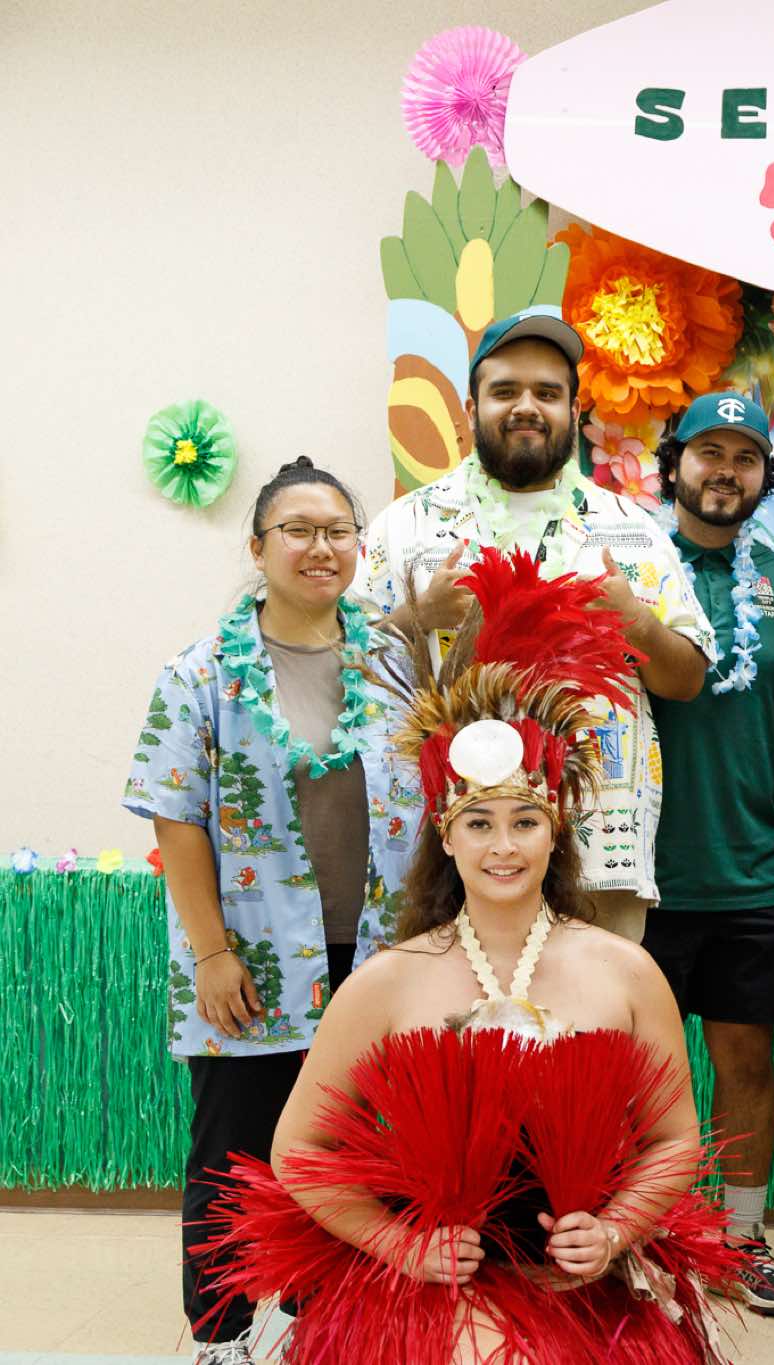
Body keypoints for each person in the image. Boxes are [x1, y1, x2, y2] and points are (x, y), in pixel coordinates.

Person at [198, 548, 734, 1363]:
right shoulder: (387, 982)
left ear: (556, 829)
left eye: (524, 821)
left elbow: (673, 1141)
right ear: (445, 836)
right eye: (479, 824)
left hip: (580, 1286)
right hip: (430, 1287)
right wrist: (401, 1245)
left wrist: (615, 1229)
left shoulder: (625, 971)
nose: (503, 846)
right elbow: (299, 1153)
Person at [122, 458, 419, 1365]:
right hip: (251, 953)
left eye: (338, 531)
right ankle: (221, 1335)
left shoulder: (393, 660)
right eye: (298, 530)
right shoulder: (202, 671)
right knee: (234, 1153)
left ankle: (318, 1326)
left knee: (348, 1151)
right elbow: (176, 816)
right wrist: (212, 953)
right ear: (258, 548)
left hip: (376, 952)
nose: (320, 547)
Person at [355, 305, 715, 941]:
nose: (527, 406)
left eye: (547, 393)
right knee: (449, 1003)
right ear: (472, 410)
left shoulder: (631, 530)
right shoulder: (406, 527)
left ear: (573, 412)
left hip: (599, 854)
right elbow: (342, 664)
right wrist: (419, 616)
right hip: (448, 850)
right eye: (505, 391)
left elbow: (686, 682)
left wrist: (635, 622)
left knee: (594, 1005)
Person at [643, 390, 774, 1315]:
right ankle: (642, 1241)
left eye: (745, 458)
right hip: (639, 881)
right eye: (709, 452)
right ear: (674, 463)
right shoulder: (630, 568)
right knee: (634, 1074)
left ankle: (741, 1240)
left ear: (763, 476)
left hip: (754, 872)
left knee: (746, 1065)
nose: (725, 472)